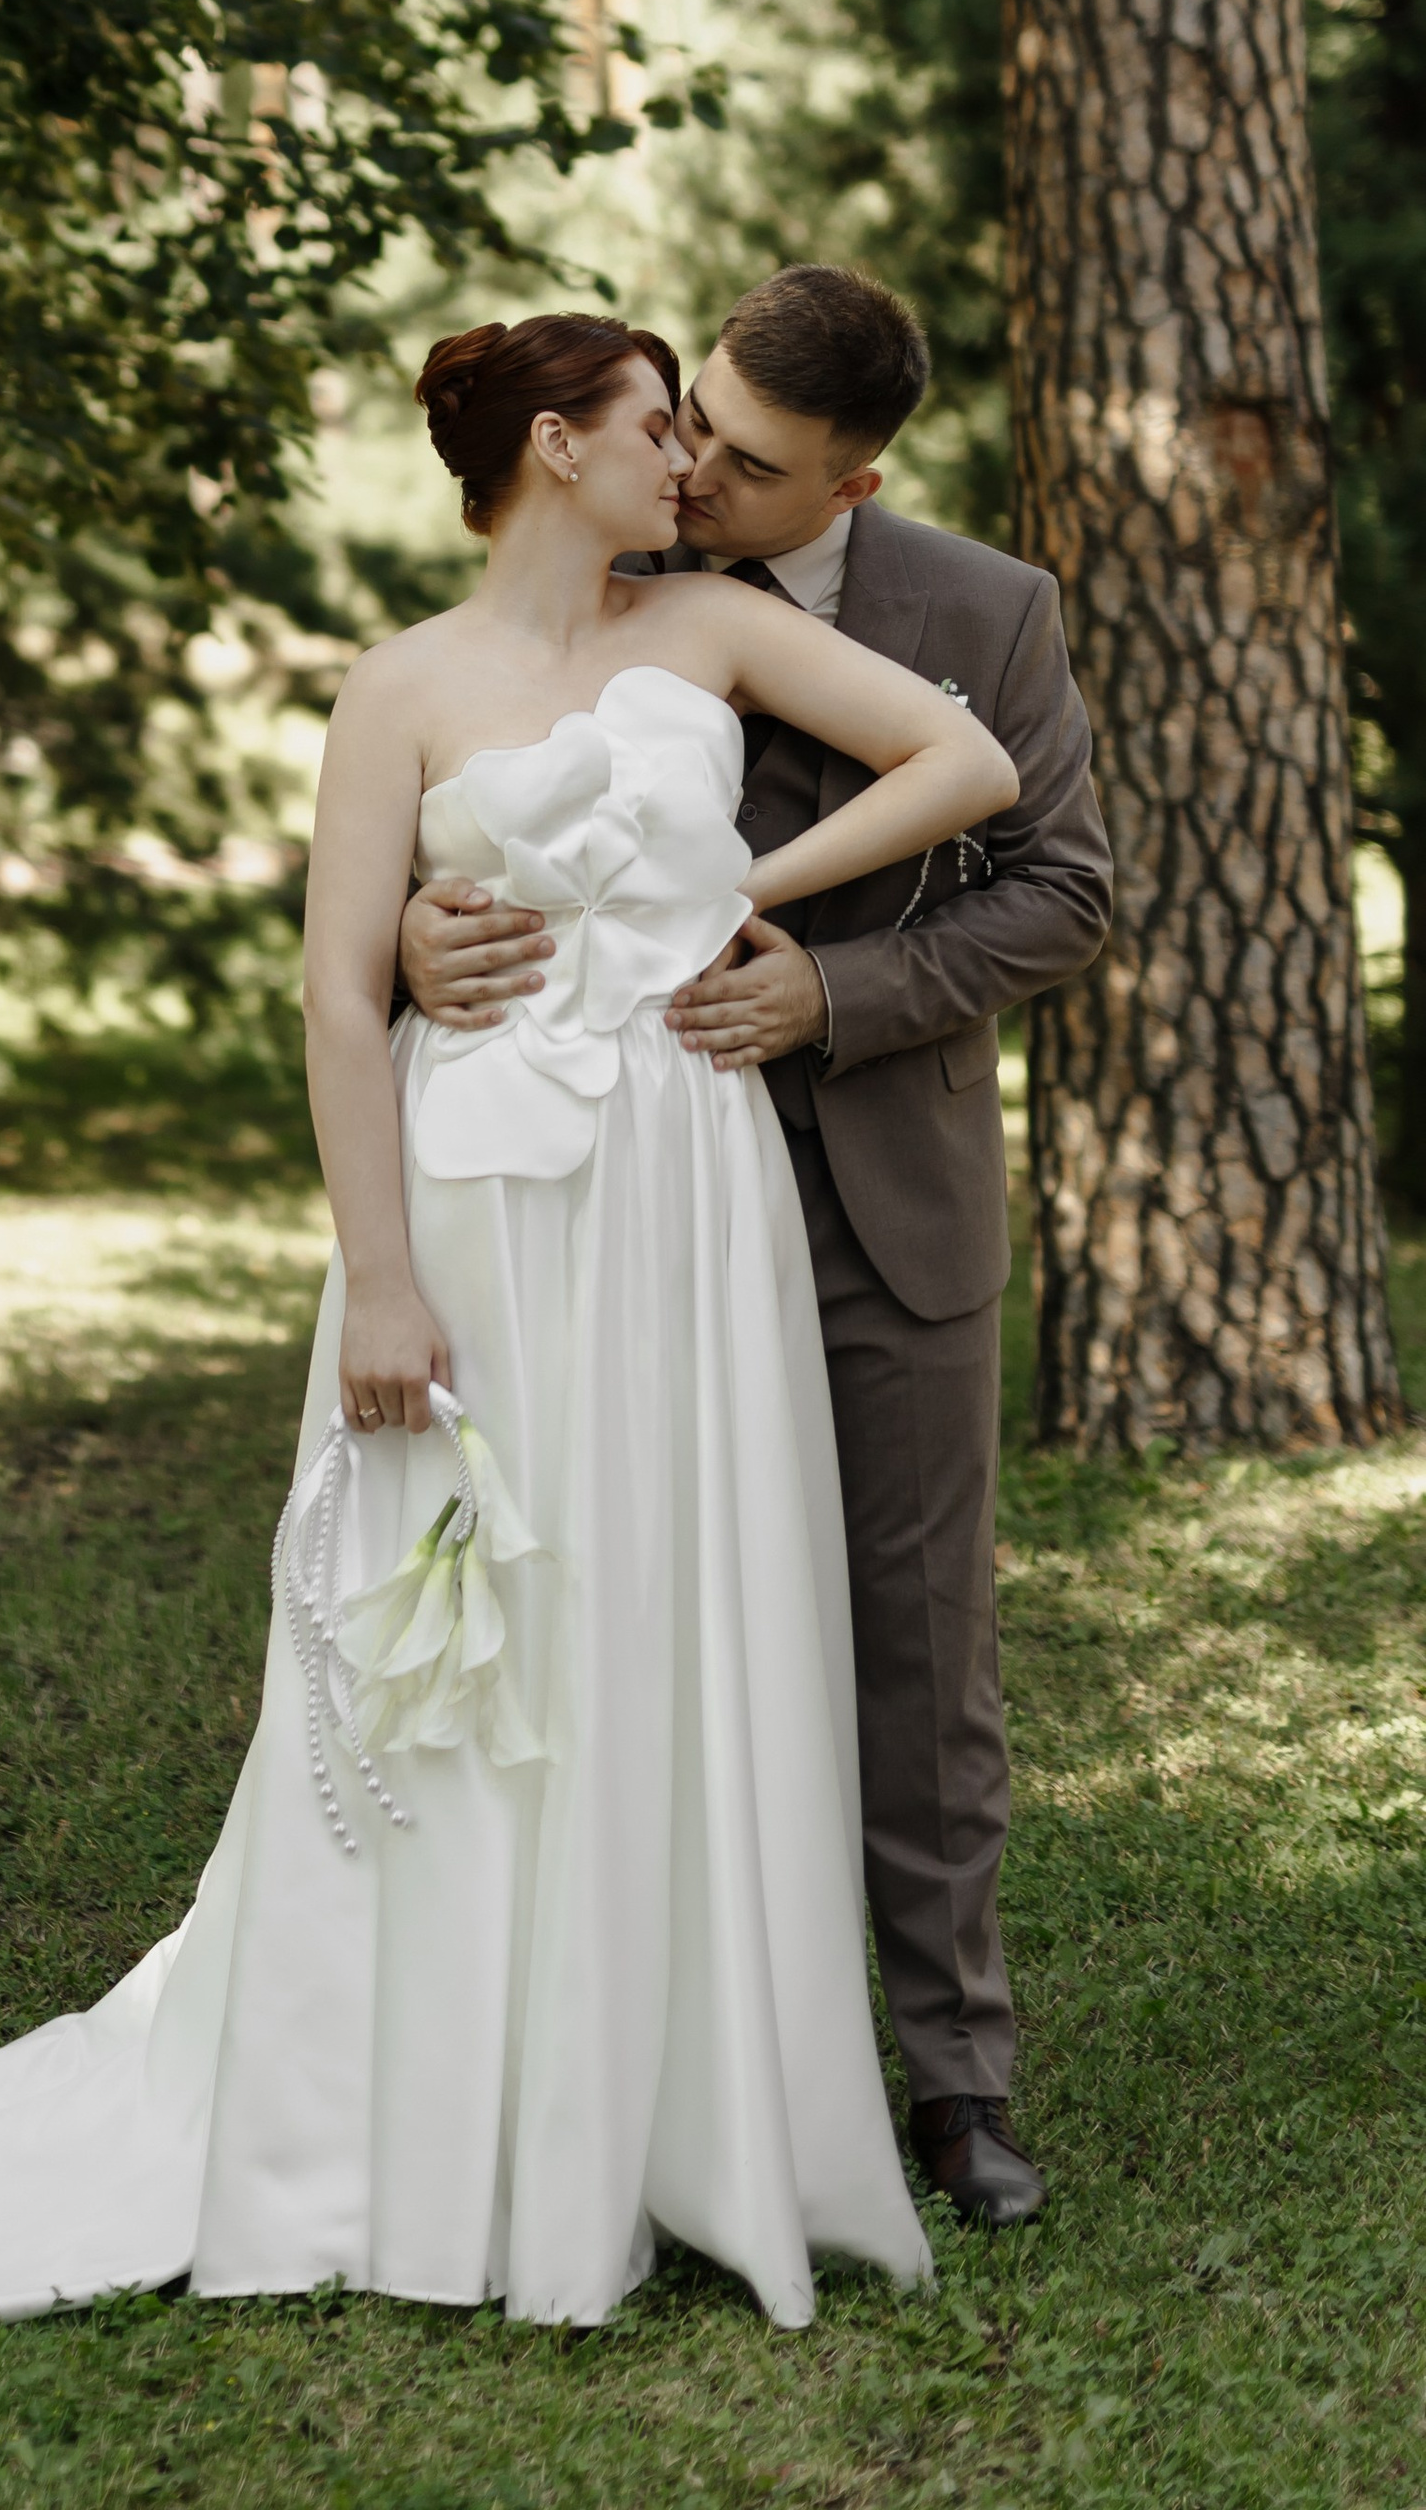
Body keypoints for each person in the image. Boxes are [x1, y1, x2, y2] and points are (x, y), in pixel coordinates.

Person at [0, 310, 1020, 2328]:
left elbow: (963, 760)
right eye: (647, 429)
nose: (681, 465)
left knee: (675, 1607)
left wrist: (741, 890)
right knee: (460, 1639)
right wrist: (384, 1274)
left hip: (688, 1200)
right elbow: (342, 995)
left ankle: (686, 2106)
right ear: (548, 447)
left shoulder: (703, 633)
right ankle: (439, 2110)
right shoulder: (398, 688)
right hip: (484, 1211)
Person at [399, 264, 1111, 2235]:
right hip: (608, 1205)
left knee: (914, 1654)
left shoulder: (984, 614)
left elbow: (1059, 890)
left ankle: (953, 2086)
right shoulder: (605, 543)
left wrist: (839, 992)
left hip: (871, 1210)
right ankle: (656, 2071)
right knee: (624, 1619)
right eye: (691, 419)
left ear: (857, 477)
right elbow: (446, 803)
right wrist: (407, 934)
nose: (695, 469)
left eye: (750, 458)